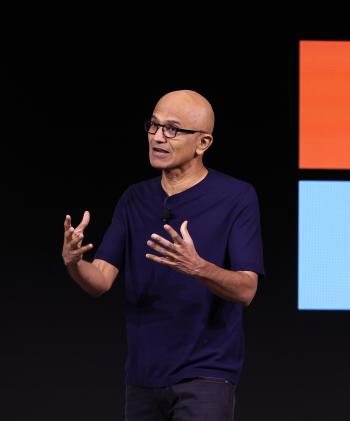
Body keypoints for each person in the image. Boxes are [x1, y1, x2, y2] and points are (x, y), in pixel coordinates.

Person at [61, 90, 265, 421]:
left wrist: (198, 267)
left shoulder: (236, 197)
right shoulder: (134, 199)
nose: (158, 137)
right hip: (142, 376)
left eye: (172, 129)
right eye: (153, 126)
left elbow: (246, 289)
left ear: (202, 143)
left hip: (206, 374)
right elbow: (100, 280)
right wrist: (74, 263)